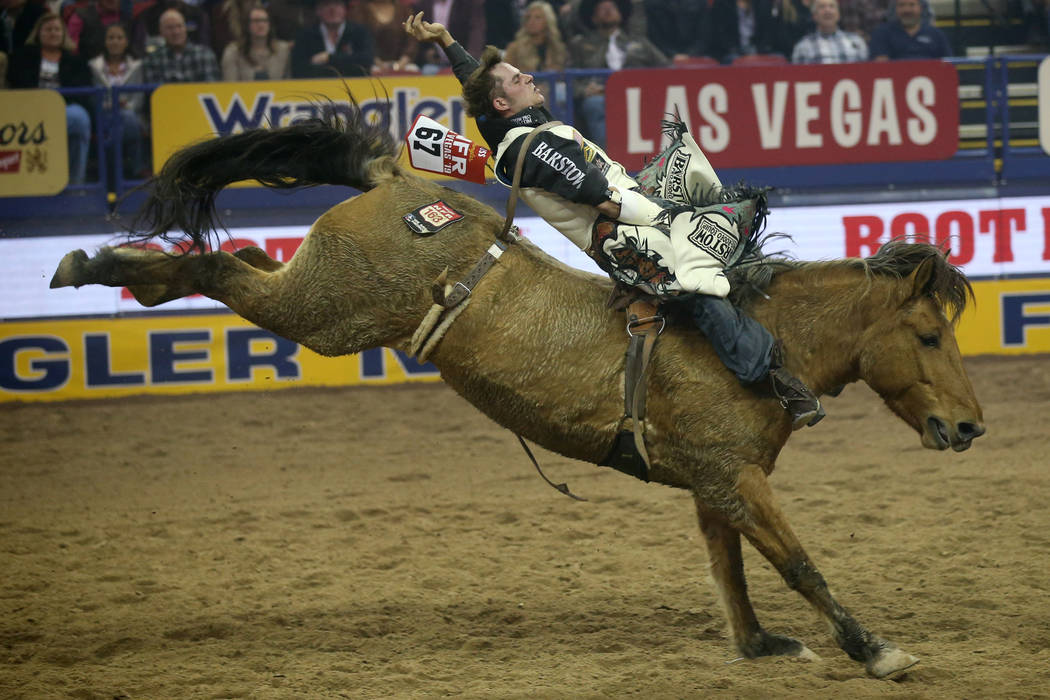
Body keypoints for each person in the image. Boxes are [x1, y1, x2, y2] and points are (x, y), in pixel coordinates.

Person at [404, 13, 825, 429]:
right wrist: (669, 217)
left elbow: (478, 82)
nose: (529, 78)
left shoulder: (503, 124)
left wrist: (445, 40)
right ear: (502, 102)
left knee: (696, 175)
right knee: (695, 279)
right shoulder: (532, 149)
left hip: (631, 202)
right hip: (623, 235)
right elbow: (604, 202)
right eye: (518, 79)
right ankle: (772, 380)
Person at [8, 11, 93, 185]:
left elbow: (82, 92)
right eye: (48, 29)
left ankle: (76, 183)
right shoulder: (22, 56)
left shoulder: (76, 61)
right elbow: (17, 82)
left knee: (79, 118)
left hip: (64, 109)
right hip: (29, 109)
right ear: (38, 33)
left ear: (64, 34)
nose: (53, 33)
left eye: (57, 29)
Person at [567, 0, 668, 147]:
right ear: (593, 18)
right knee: (594, 104)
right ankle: (607, 160)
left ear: (621, 15)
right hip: (600, 96)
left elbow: (667, 69)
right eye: (602, 8)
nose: (608, 10)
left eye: (612, 7)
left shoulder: (639, 43)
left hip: (637, 95)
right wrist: (584, 90)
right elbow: (568, 78)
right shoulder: (580, 44)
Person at [88, 22, 146, 179]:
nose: (115, 41)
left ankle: (109, 173)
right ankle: (137, 169)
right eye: (111, 38)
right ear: (104, 41)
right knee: (125, 121)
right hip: (104, 116)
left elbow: (139, 99)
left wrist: (125, 107)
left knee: (128, 119)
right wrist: (113, 105)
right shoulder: (94, 66)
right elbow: (94, 99)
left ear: (126, 42)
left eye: (119, 38)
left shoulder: (137, 66)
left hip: (132, 114)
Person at [503, 1, 568, 104]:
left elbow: (563, 75)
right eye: (528, 18)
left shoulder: (558, 48)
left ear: (548, 21)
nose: (531, 21)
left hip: (553, 94)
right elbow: (507, 79)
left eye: (538, 17)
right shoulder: (514, 48)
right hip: (523, 95)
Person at [290, 0, 373, 78]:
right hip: (316, 87)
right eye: (326, 4)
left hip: (353, 86)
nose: (332, 9)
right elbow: (298, 69)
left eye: (337, 4)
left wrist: (328, 58)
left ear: (345, 9)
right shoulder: (305, 35)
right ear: (318, 10)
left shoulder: (359, 32)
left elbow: (366, 61)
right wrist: (346, 62)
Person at [142, 8, 220, 82]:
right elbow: (154, 93)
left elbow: (212, 89)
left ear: (185, 28)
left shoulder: (205, 55)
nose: (176, 32)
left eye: (179, 26)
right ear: (161, 32)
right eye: (170, 28)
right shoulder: (152, 60)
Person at [220, 4, 290, 80]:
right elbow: (229, 86)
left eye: (265, 21)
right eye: (256, 21)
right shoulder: (233, 52)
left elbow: (290, 83)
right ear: (247, 25)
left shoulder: (283, 50)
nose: (261, 25)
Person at [349, 0, 418, 73]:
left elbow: (412, 40)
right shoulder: (359, 11)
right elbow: (359, 42)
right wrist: (376, 62)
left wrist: (402, 62)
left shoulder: (404, 10)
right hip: (369, 65)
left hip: (404, 65)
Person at [869, 0, 950, 60]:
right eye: (901, 5)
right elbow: (880, 66)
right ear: (895, 8)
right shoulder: (882, 33)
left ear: (921, 8)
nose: (907, 10)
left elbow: (947, 64)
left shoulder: (936, 34)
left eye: (912, 5)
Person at [791, 0, 867, 63]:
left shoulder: (857, 42)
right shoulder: (803, 47)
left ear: (838, 14)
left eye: (832, 6)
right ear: (814, 16)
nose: (827, 10)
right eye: (822, 7)